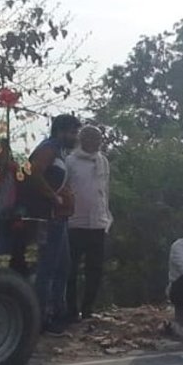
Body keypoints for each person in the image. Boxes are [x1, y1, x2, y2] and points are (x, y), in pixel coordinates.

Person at [24, 113, 81, 333]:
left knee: (63, 266)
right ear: (61, 131)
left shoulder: (60, 152)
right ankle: (41, 316)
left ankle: (59, 311)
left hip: (59, 217)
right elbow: (33, 173)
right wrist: (53, 197)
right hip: (48, 216)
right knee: (48, 267)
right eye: (73, 132)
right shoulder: (48, 148)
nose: (75, 137)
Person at [65, 125, 113, 321]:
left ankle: (88, 309)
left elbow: (105, 190)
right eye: (92, 138)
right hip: (75, 223)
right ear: (83, 140)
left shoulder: (103, 161)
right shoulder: (71, 161)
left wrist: (107, 216)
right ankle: (70, 310)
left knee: (95, 269)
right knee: (71, 270)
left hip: (98, 224)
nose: (96, 142)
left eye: (99, 139)